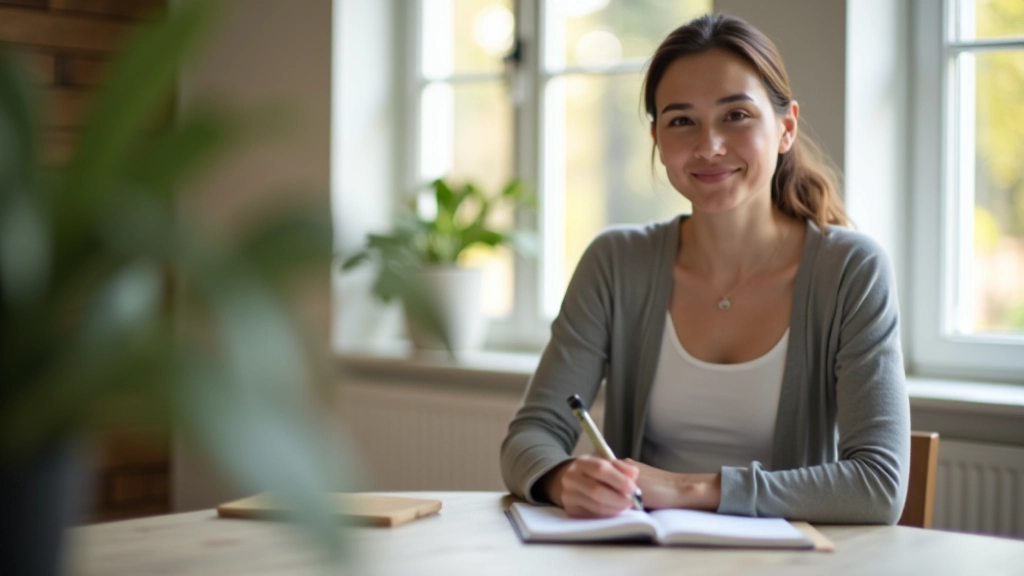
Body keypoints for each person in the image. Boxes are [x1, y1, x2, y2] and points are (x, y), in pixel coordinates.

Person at [499, 13, 909, 524]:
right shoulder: (616, 263)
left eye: (736, 115)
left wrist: (684, 488)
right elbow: (531, 435)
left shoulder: (850, 270)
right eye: (681, 121)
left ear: (786, 128)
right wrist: (563, 479)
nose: (708, 145)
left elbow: (877, 486)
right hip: (639, 558)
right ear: (656, 138)